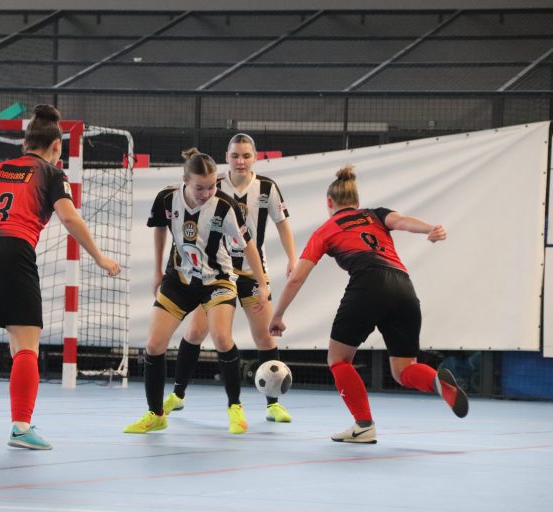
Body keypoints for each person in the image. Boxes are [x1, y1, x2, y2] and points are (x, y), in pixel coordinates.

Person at [0, 104, 120, 450]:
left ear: (25, 143)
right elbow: (70, 219)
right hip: (13, 250)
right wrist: (99, 257)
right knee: (25, 346)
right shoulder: (52, 174)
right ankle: (21, 426)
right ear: (56, 147)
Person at [268, 165, 468, 444]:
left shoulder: (326, 230)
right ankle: (437, 381)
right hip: (404, 288)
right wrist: (429, 229)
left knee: (338, 359)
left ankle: (363, 425)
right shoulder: (376, 214)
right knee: (403, 369)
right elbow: (402, 221)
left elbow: (296, 278)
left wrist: (277, 315)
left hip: (368, 284)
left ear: (329, 202)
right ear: (357, 202)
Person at [124, 148, 269, 435]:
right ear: (185, 180)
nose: (206, 192)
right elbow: (160, 228)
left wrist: (263, 283)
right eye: (199, 187)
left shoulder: (225, 206)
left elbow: (249, 245)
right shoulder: (168, 198)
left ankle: (235, 408)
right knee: (153, 345)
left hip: (217, 281)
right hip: (179, 280)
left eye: (212, 185)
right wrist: (157, 270)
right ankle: (156, 414)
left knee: (221, 337)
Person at [163, 133, 297, 423]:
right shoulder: (214, 186)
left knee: (264, 336)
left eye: (246, 155)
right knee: (195, 332)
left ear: (255, 157)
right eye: (235, 155)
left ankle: (272, 404)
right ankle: (178, 395)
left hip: (251, 271)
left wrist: (293, 258)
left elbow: (282, 225)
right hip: (216, 272)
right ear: (227, 157)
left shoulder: (267, 188)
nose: (240, 161)